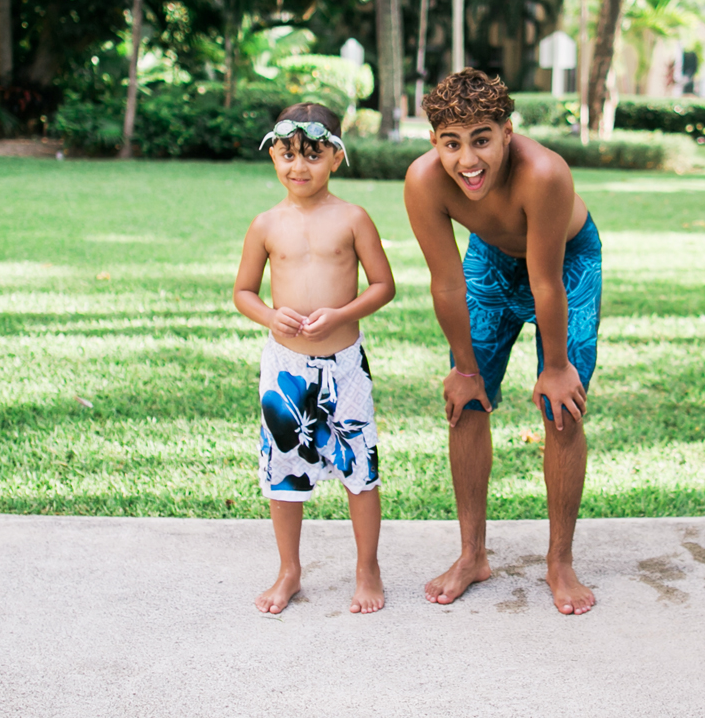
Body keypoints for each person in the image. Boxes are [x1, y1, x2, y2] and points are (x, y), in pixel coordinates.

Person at [403, 69, 602, 615]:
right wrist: (466, 370)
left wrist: (556, 365)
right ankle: (472, 556)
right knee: (468, 402)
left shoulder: (545, 175)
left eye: (482, 139)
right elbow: (445, 282)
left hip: (566, 262)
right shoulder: (424, 181)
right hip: (491, 259)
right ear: (434, 142)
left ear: (507, 131)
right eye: (452, 143)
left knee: (562, 409)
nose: (468, 160)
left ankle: (559, 561)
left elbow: (547, 282)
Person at [233, 102, 396, 615]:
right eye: (287, 155)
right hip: (286, 368)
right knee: (284, 471)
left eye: (312, 154)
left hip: (344, 363)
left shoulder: (352, 218)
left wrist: (342, 313)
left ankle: (367, 569)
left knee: (360, 469)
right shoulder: (265, 224)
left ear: (337, 158)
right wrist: (268, 316)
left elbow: (384, 285)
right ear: (273, 158)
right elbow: (243, 292)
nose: (298, 167)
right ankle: (289, 571)